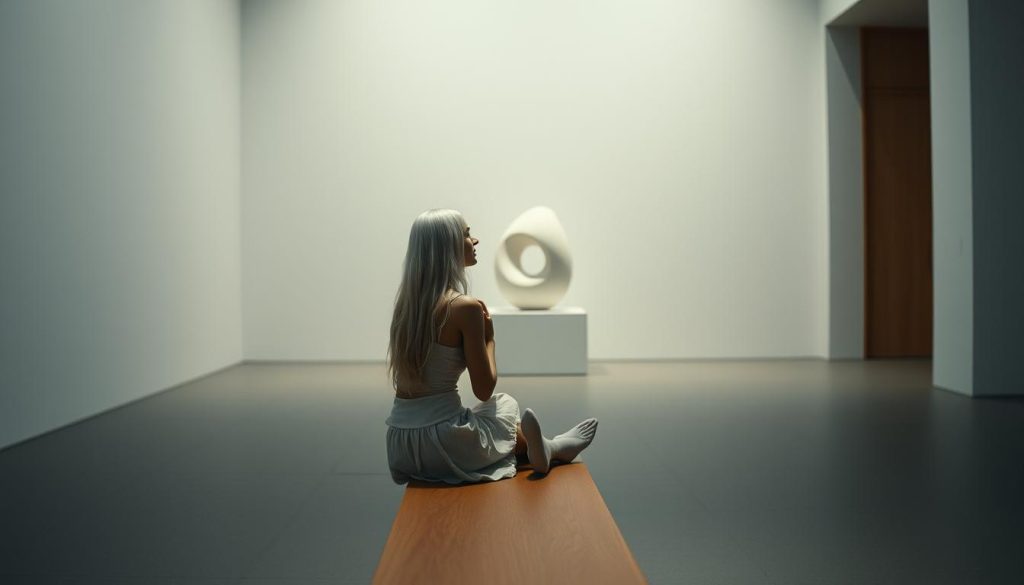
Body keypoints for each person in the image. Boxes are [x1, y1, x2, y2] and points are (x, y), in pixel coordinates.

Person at [385, 208, 598, 484]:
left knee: (486, 419)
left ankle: (546, 446)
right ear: (446, 246)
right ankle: (552, 448)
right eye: (466, 234)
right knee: (502, 405)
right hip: (441, 443)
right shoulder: (463, 308)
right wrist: (489, 339)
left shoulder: (407, 308)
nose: (475, 241)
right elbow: (484, 389)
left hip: (402, 444)